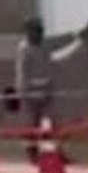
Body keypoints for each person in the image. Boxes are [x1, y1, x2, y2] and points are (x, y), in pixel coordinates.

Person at [14, 17, 53, 162]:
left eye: (40, 31)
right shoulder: (24, 49)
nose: (39, 34)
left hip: (44, 92)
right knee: (30, 123)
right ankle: (32, 153)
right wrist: (23, 92)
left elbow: (49, 68)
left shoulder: (44, 48)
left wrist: (50, 88)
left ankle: (50, 151)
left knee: (46, 123)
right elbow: (22, 73)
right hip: (30, 93)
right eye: (36, 31)